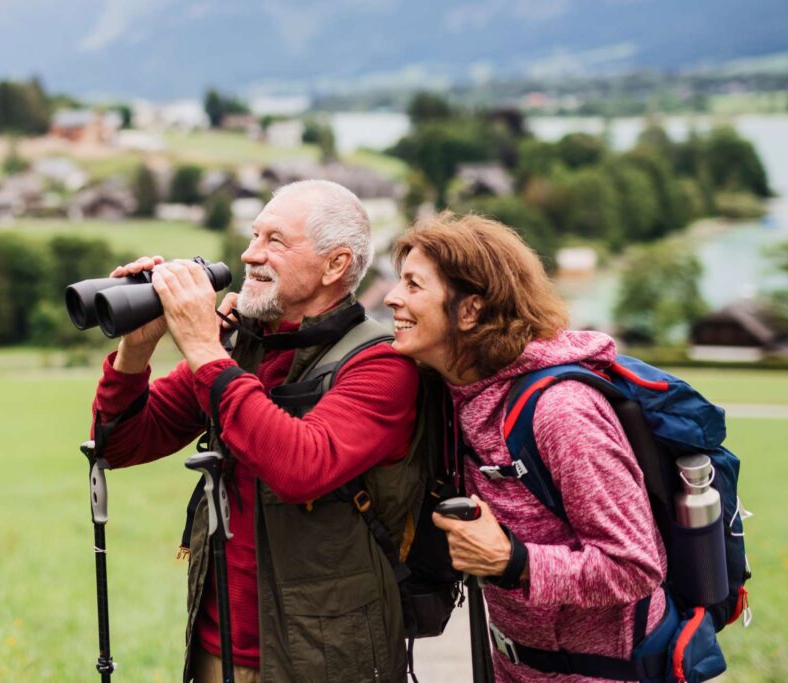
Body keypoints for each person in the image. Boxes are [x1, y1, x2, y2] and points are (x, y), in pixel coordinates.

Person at [91, 180, 421, 682]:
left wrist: (203, 346)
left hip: (324, 661)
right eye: (253, 236)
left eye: (275, 242)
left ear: (336, 264)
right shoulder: (242, 347)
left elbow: (301, 467)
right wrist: (136, 349)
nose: (250, 255)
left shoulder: (380, 365)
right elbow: (118, 445)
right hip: (216, 649)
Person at [383, 212, 667, 683]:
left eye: (413, 285)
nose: (392, 297)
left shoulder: (562, 413)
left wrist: (515, 562)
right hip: (515, 667)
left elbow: (635, 565)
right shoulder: (455, 392)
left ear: (470, 311)